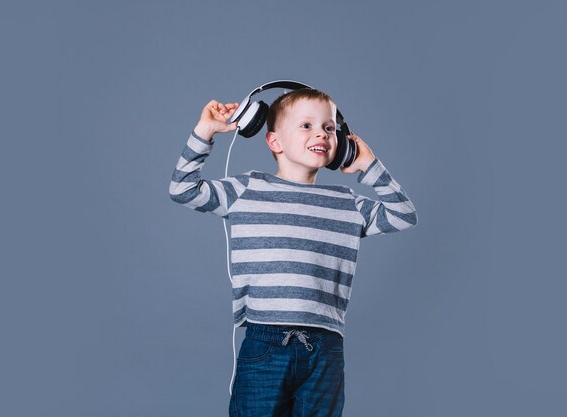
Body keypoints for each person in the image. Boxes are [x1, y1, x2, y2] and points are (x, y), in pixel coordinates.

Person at [169, 87, 417, 417]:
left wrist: (368, 164)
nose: (322, 134)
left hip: (325, 348)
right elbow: (182, 189)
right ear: (274, 142)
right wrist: (206, 131)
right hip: (264, 343)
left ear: (339, 144)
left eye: (329, 128)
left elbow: (403, 214)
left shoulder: (346, 204)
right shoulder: (247, 189)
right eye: (307, 126)